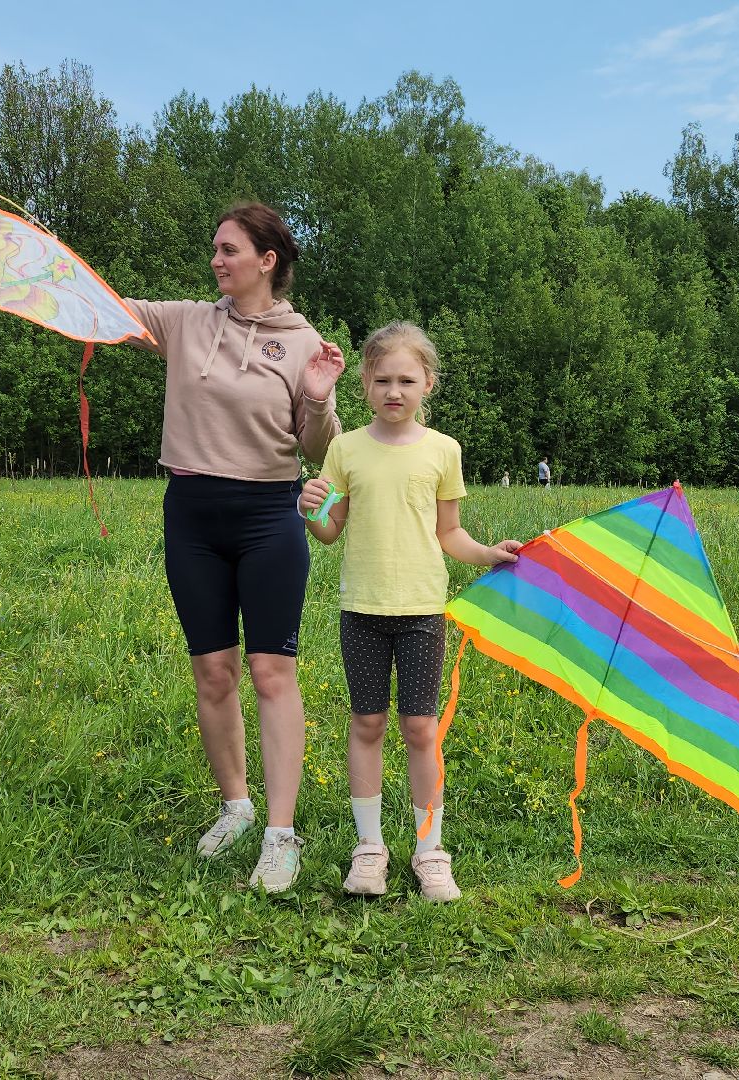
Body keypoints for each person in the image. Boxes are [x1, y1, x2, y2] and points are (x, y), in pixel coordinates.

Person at [121, 203, 345, 894]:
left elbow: (321, 451)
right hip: (190, 514)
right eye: (214, 249)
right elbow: (101, 309)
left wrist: (318, 399)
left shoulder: (303, 341)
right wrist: (22, 265)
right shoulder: (187, 321)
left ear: (266, 261)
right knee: (213, 672)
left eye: (228, 250)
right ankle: (236, 808)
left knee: (272, 673)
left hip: (266, 516)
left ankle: (282, 836)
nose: (216, 261)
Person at [299, 322, 521, 902]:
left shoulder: (444, 451)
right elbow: (329, 533)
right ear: (364, 385)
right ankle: (369, 851)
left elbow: (450, 533)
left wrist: (489, 555)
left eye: (406, 380)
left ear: (428, 384)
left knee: (421, 728)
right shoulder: (343, 450)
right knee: (366, 724)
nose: (393, 390)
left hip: (423, 611)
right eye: (381, 380)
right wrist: (310, 512)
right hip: (362, 610)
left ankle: (429, 852)